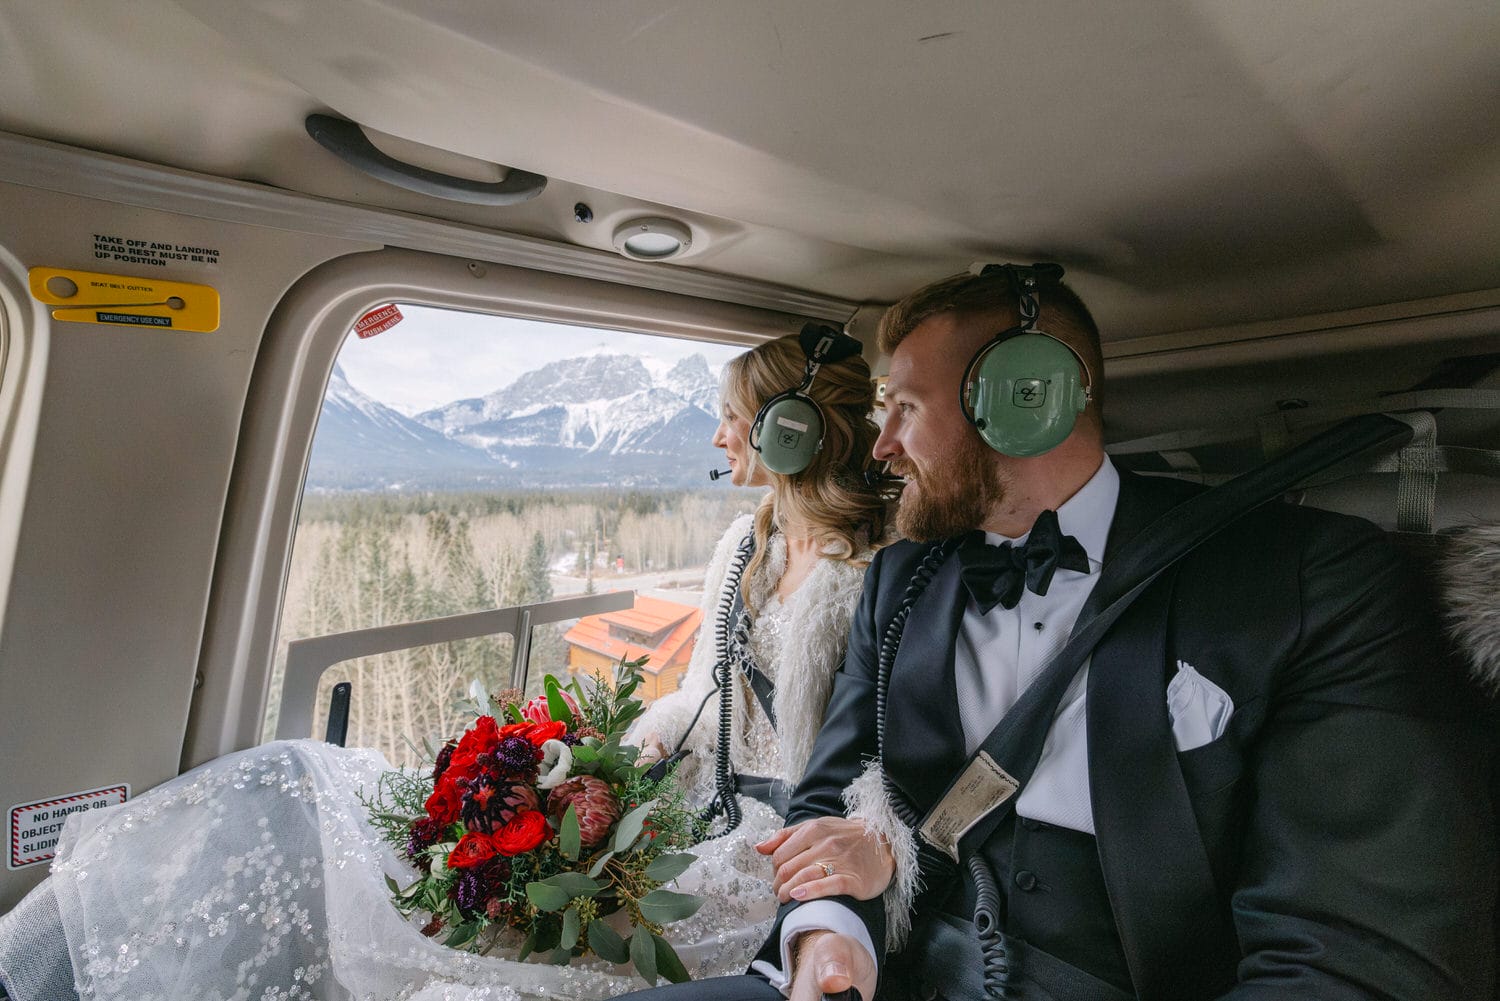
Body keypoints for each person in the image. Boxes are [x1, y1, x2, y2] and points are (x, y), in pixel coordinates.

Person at [624, 265, 1496, 1001]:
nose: (880, 447)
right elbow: (830, 794)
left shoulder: (1303, 581)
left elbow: (1355, 947)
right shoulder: (902, 578)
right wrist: (830, 932)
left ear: (1026, 402)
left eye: (907, 410)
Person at [0, 331, 891, 1001]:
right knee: (307, 784)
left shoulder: (873, 575)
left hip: (759, 847)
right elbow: (701, 697)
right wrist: (599, 755)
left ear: (792, 431)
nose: (719, 434)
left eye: (735, 416)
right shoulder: (744, 544)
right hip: (680, 802)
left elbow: (858, 769)